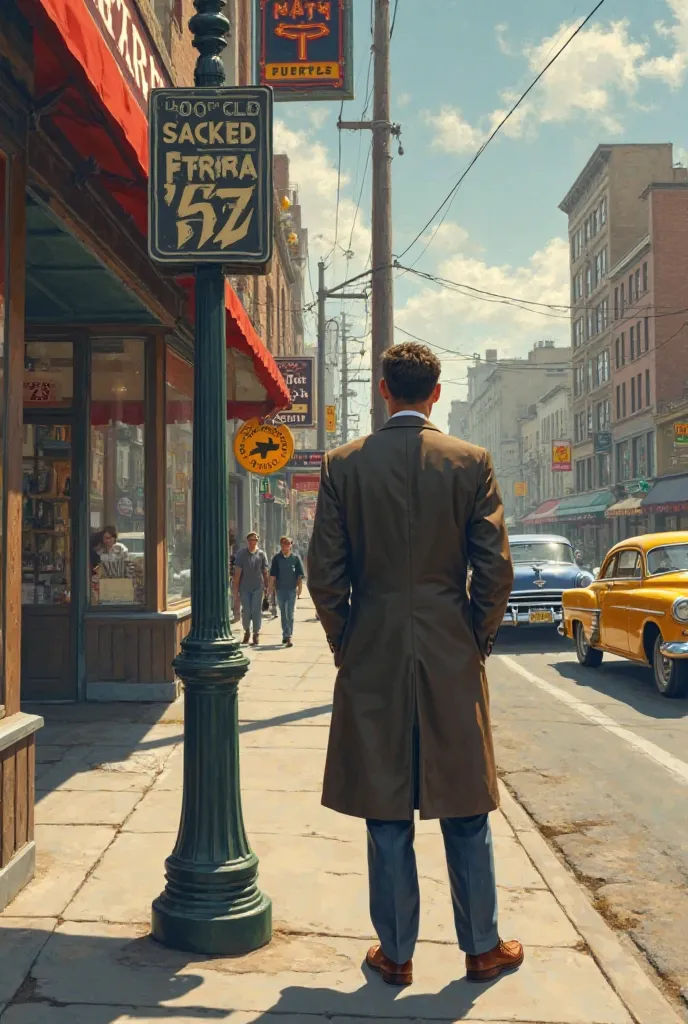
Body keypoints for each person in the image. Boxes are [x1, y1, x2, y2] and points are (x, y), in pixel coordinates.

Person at [308, 342, 522, 988]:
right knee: (464, 805)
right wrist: (474, 638)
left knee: (385, 806)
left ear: (383, 390)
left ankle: (396, 954)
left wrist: (350, 640)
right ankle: (482, 948)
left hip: (372, 645)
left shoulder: (345, 465)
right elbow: (495, 571)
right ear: (434, 393)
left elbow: (324, 574)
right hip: (449, 647)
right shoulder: (470, 462)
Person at [233, 531, 269, 645]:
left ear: (257, 541)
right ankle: (247, 631)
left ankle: (256, 633)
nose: (252, 543)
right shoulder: (241, 554)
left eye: (254, 540)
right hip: (245, 587)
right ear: (247, 542)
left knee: (256, 610)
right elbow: (237, 572)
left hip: (258, 586)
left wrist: (267, 587)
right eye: (250, 540)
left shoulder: (261, 554)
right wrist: (236, 589)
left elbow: (265, 571)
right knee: (246, 611)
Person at [269, 536, 305, 647]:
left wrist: (300, 588)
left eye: (288, 544)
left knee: (290, 613)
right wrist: (270, 589)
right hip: (280, 589)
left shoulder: (295, 558)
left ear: (291, 545)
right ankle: (285, 634)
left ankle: (289, 636)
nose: (286, 546)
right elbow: (273, 575)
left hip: (291, 590)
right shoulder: (277, 558)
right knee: (283, 613)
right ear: (281, 545)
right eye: (284, 544)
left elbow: (299, 575)